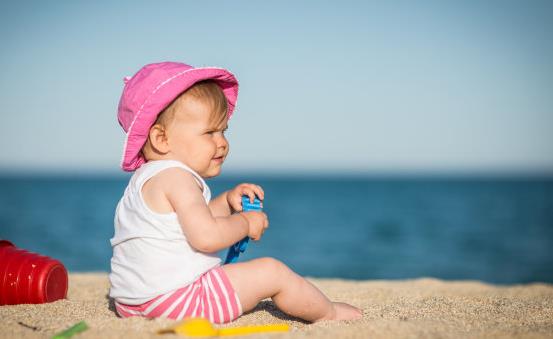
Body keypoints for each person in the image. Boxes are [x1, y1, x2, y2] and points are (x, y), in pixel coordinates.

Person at [109, 61, 362, 324]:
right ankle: (328, 314)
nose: (223, 143)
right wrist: (245, 222)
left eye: (223, 131)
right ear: (161, 139)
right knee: (272, 272)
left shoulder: (147, 179)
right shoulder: (178, 178)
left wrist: (227, 202)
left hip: (133, 303)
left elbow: (190, 222)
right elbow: (206, 237)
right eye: (209, 132)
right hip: (178, 302)